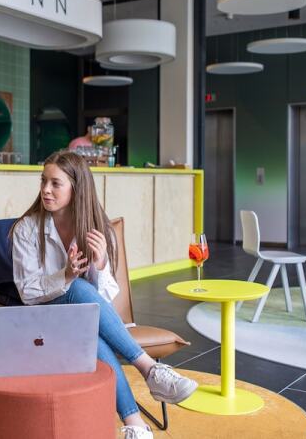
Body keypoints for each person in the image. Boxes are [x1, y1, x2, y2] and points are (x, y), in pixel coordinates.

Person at [11, 151, 198, 439]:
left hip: (82, 323)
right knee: (76, 288)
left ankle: (135, 424)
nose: (46, 189)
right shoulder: (26, 229)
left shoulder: (97, 230)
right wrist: (67, 275)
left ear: (77, 188)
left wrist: (98, 267)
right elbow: (27, 293)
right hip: (42, 321)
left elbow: (105, 300)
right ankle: (149, 369)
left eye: (55, 183)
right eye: (43, 181)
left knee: (90, 331)